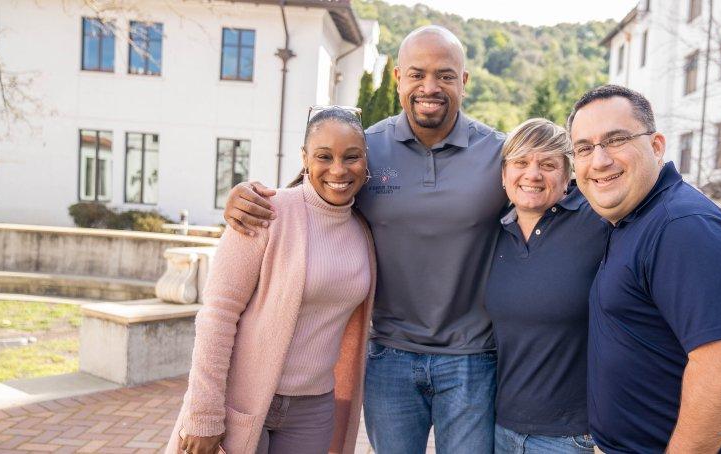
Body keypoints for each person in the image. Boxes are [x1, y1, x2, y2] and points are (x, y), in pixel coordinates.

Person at [222, 25, 506, 453]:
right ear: (398, 79)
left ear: (464, 82)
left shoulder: (499, 154)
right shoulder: (363, 149)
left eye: (445, 75)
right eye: (417, 74)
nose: (430, 87)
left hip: (471, 358)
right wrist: (242, 198)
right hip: (389, 356)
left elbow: (554, 195)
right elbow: (301, 199)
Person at [167, 107, 375, 454]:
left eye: (351, 157)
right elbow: (218, 313)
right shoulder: (266, 211)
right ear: (305, 158)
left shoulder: (364, 231)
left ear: (365, 160)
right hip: (243, 398)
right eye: (324, 156)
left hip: (314, 409)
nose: (338, 169)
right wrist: (203, 412)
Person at [567, 85, 721, 453]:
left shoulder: (682, 225)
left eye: (616, 139)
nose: (600, 160)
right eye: (584, 148)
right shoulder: (633, 219)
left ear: (656, 146)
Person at [485, 119, 608, 453]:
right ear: (503, 174)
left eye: (548, 164)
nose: (533, 174)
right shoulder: (493, 232)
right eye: (521, 162)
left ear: (568, 175)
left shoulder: (597, 222)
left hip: (568, 434)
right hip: (501, 426)